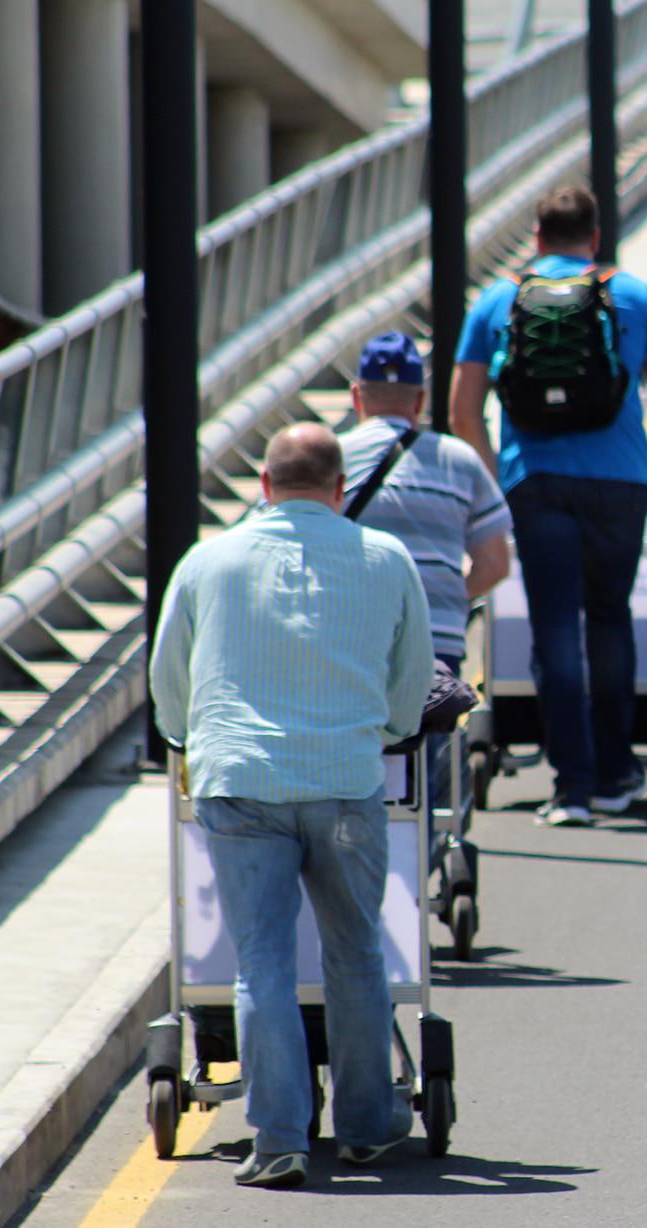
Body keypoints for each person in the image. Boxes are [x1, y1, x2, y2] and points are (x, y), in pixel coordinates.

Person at [149, 423, 436, 1190]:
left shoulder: (208, 560)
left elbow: (169, 678)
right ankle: (367, 1127)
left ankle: (278, 1140)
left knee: (261, 962)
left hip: (241, 784)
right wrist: (387, 732)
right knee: (356, 952)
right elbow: (412, 676)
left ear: (264, 486)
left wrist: (188, 737)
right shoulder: (385, 558)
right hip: (344, 781)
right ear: (340, 489)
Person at [452, 186, 647, 828]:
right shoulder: (634, 296)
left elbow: (462, 412)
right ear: (595, 237)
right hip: (619, 484)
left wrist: (496, 482)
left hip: (533, 482)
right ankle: (617, 772)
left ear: (536, 238)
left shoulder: (498, 299)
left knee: (555, 626)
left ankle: (573, 789)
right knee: (609, 619)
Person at [338, 331, 512, 809]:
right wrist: (448, 598)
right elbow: (495, 563)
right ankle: (429, 846)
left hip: (347, 639)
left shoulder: (329, 458)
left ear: (357, 397)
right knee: (426, 762)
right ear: (419, 400)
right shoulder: (459, 461)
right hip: (437, 639)